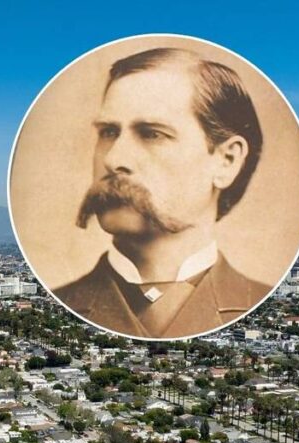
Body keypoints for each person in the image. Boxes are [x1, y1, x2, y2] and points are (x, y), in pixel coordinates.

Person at [54, 47, 271, 338]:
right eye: (109, 132)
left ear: (226, 161)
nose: (114, 159)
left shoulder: (261, 305)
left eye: (152, 134)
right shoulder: (58, 304)